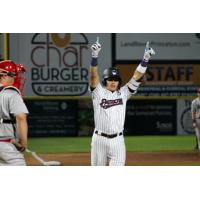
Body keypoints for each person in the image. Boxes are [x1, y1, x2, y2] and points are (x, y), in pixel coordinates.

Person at [89, 38, 155, 166]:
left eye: (116, 79)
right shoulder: (98, 92)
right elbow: (93, 77)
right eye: (110, 79)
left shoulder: (124, 93)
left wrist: (145, 59)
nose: (113, 82)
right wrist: (94, 56)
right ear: (105, 81)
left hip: (118, 141)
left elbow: (136, 76)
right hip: (99, 140)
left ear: (119, 81)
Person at [0, 60, 29, 165]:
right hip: (5, 146)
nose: (15, 78)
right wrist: (23, 142)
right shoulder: (11, 93)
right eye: (13, 75)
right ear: (3, 75)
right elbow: (21, 118)